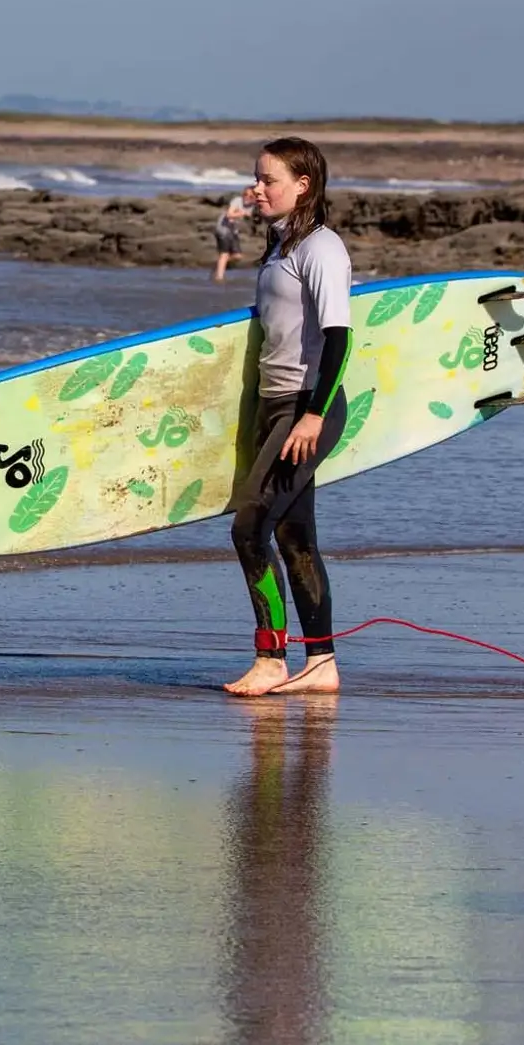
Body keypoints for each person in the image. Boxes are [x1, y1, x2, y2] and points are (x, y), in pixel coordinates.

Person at [224, 137, 350, 698]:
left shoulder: (320, 249)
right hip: (275, 404)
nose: (257, 188)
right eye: (256, 178)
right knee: (296, 537)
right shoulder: (280, 247)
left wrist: (314, 416)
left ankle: (271, 657)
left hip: (304, 407)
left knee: (250, 529)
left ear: (302, 186)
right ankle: (321, 664)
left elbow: (340, 339)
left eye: (268, 180)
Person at [212, 189, 249, 281]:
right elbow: (229, 215)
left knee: (238, 256)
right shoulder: (237, 201)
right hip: (223, 229)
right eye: (246, 195)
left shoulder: (253, 205)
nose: (248, 197)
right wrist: (241, 213)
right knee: (224, 254)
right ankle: (219, 277)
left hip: (234, 231)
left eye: (251, 196)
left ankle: (220, 265)